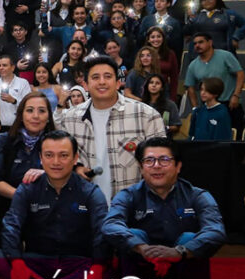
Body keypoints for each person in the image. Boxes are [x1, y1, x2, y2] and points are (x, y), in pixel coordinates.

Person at [103, 137, 227, 279]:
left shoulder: (198, 195)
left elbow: (216, 231)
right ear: (141, 167)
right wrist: (141, 248)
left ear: (178, 166)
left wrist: (179, 252)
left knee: (189, 238)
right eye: (149, 160)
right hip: (141, 276)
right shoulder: (128, 195)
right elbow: (110, 225)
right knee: (134, 235)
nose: (156, 166)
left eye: (165, 160)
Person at [0, 130, 108, 279]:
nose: (56, 162)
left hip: (77, 263)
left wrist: (97, 267)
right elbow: (11, 226)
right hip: (39, 262)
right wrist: (18, 263)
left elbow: (101, 233)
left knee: (108, 270)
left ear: (75, 157)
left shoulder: (91, 192)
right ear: (40, 158)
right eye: (49, 155)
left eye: (63, 155)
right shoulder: (27, 188)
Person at [56, 56, 166, 202]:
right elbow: (63, 157)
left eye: (108, 76)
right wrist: (77, 168)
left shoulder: (146, 115)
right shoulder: (70, 118)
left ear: (118, 83)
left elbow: (163, 163)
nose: (102, 82)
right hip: (85, 207)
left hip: (132, 207)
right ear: (86, 85)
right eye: (95, 77)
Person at [0, 92, 56, 216]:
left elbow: (67, 177)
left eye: (41, 111)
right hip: (9, 209)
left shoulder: (57, 143)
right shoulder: (4, 141)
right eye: (29, 110)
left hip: (48, 211)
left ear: (48, 117)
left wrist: (47, 174)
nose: (36, 116)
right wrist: (22, 196)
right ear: (21, 114)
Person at [184, 32, 244, 136]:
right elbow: (190, 87)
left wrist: (236, 95)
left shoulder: (225, 55)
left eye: (201, 42)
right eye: (195, 44)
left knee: (233, 136)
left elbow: (241, 74)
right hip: (208, 107)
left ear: (210, 42)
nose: (197, 45)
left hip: (230, 103)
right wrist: (195, 108)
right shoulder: (193, 65)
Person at [0, 54, 33, 129]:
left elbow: (29, 105)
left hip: (19, 126)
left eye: (4, 65)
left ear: (13, 68)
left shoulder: (23, 83)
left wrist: (14, 101)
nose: (1, 68)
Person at [141, 73, 182, 137]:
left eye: (157, 83)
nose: (154, 85)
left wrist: (164, 128)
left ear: (162, 87)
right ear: (147, 86)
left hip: (163, 139)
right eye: (151, 82)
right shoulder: (141, 104)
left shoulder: (170, 105)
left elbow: (176, 126)